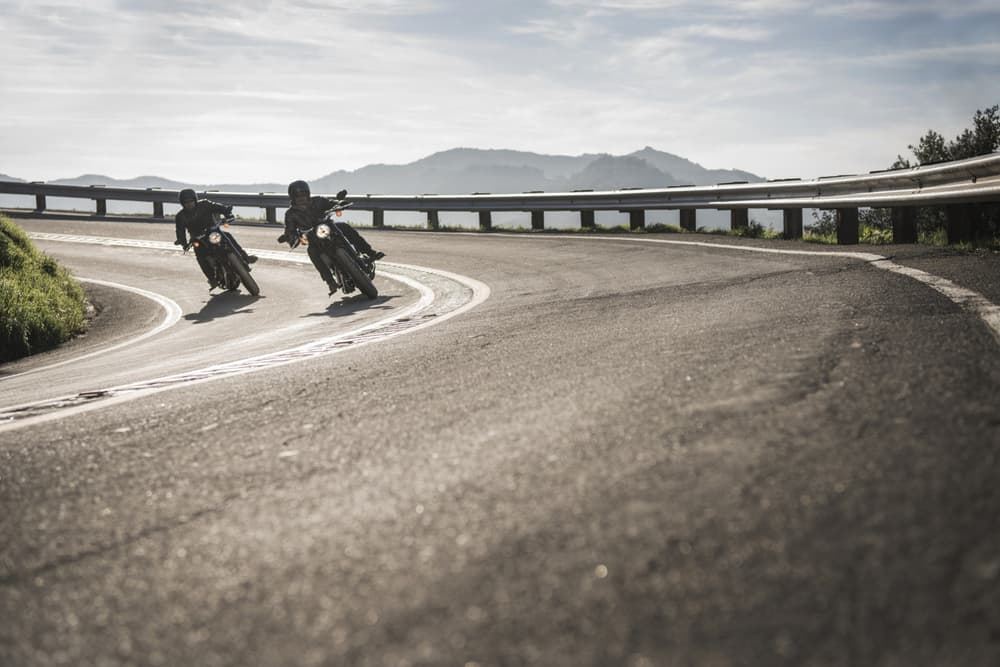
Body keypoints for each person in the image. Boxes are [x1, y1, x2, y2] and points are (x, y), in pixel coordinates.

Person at [281, 180, 385, 295]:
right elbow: (289, 229)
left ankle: (370, 253)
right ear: (292, 198)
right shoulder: (290, 214)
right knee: (312, 251)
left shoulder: (318, 201)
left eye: (303, 195)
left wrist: (339, 203)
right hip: (313, 238)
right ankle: (330, 282)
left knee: (345, 227)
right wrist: (291, 237)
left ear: (308, 194)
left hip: (328, 227)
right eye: (297, 196)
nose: (301, 198)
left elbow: (331, 203)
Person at [174, 189, 257, 290]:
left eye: (191, 201)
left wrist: (227, 213)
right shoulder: (180, 216)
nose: (189, 204)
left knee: (227, 236)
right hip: (198, 239)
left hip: (212, 232)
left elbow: (219, 207)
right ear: (182, 203)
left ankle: (245, 257)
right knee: (200, 255)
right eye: (186, 202)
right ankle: (212, 279)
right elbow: (180, 231)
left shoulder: (205, 204)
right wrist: (183, 243)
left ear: (195, 200)